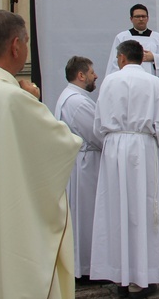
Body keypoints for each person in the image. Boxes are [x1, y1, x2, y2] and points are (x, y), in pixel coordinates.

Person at [0, 10, 81, 299]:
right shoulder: (14, 98)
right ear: (16, 46)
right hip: (9, 225)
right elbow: (64, 144)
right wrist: (32, 99)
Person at [90, 40, 159, 297]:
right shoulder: (154, 83)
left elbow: (98, 124)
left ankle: (121, 275)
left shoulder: (109, 82)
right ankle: (144, 277)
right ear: (141, 58)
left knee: (118, 210)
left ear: (122, 58)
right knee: (146, 211)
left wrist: (112, 143)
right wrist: (157, 151)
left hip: (115, 148)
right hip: (143, 147)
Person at [54, 56, 100, 281]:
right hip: (86, 164)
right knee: (87, 215)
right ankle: (88, 266)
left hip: (81, 163)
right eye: (92, 72)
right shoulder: (77, 101)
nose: (95, 76)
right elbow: (96, 134)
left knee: (82, 214)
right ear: (81, 75)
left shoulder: (70, 96)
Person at [106, 4, 159, 78]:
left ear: (148, 18)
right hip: (128, 79)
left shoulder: (158, 38)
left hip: (150, 79)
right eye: (137, 16)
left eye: (143, 16)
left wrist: (153, 57)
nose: (141, 19)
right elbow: (114, 63)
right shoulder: (122, 37)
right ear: (131, 19)